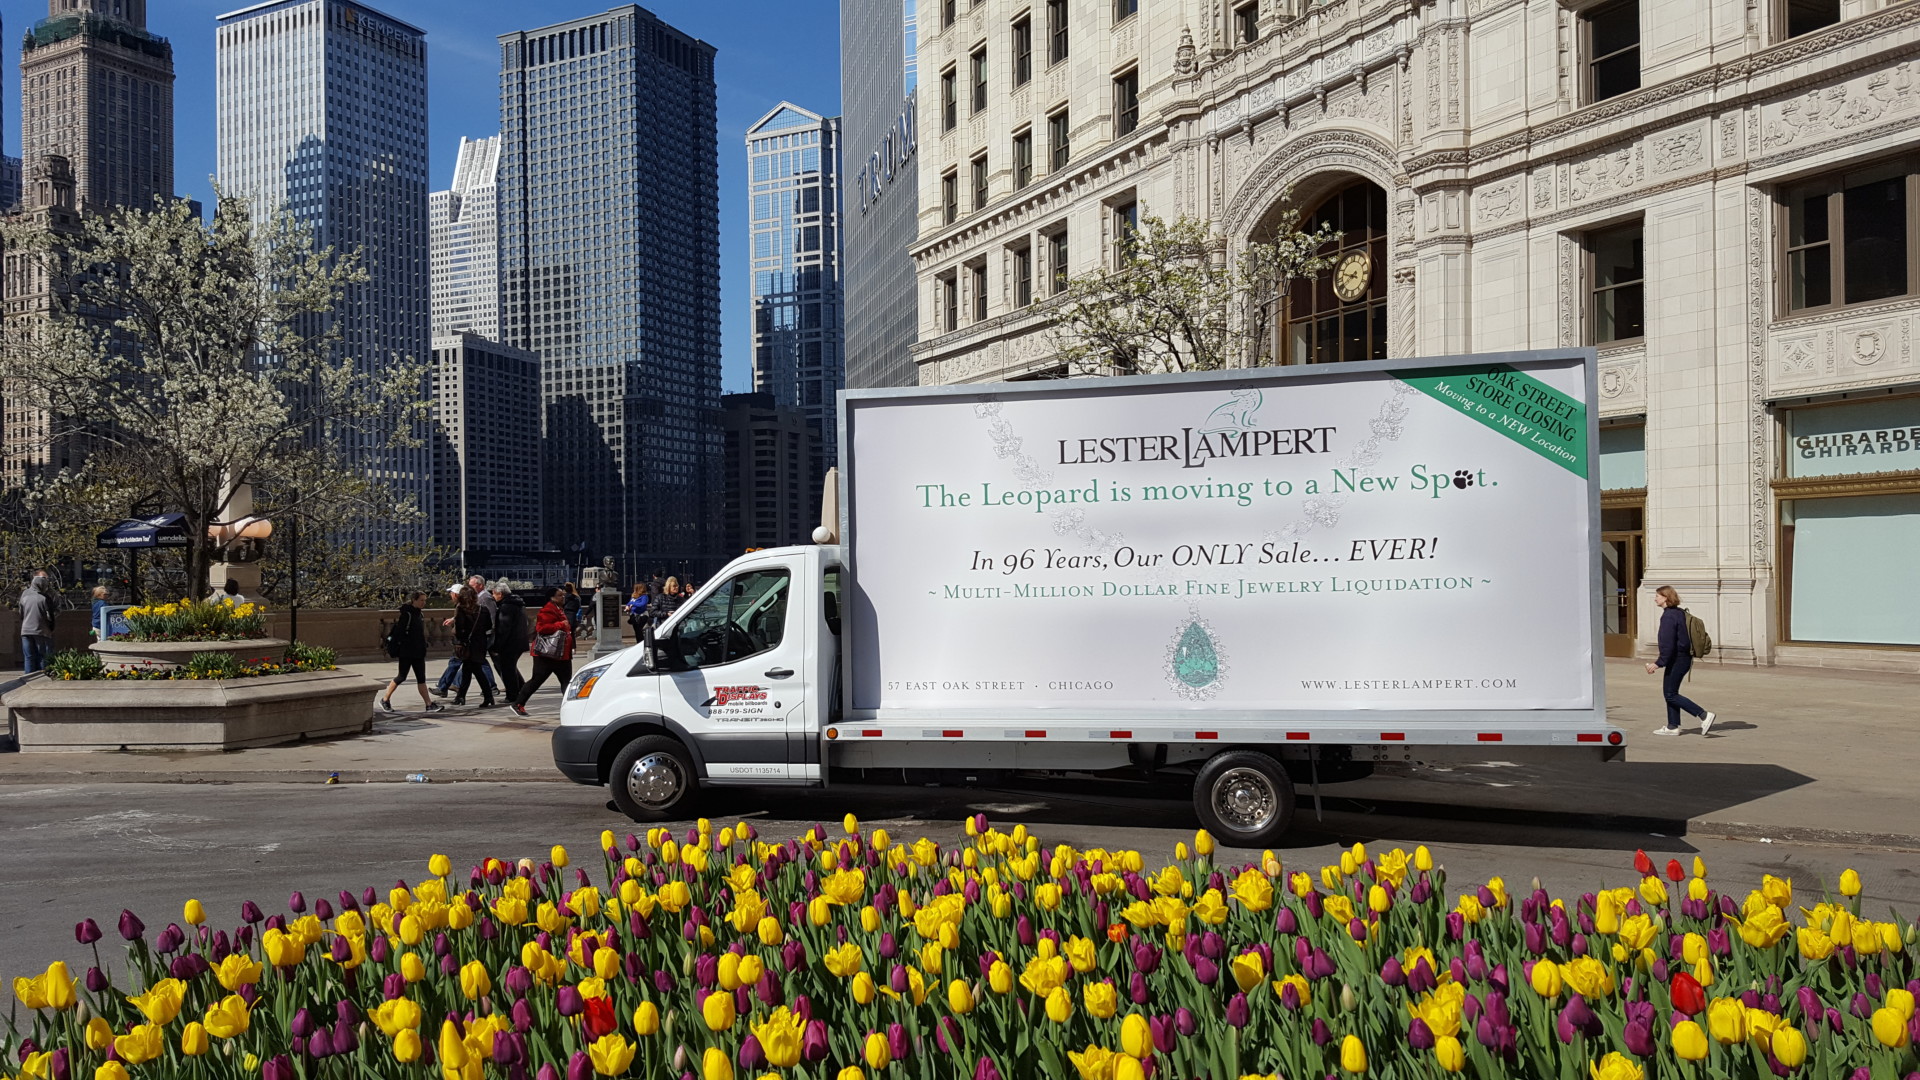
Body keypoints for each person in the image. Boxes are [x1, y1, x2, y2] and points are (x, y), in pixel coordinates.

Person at [1646, 585, 1716, 736]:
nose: (1655, 598)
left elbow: (1668, 643)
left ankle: (1704, 715)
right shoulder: (1679, 613)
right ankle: (1672, 726)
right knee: (1671, 692)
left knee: (1670, 694)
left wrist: (1658, 663)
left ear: (1665, 597)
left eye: (1658, 595)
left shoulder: (1668, 617)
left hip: (1677, 659)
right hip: (1683, 658)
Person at [511, 587, 573, 717]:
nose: (563, 597)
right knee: (537, 680)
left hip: (560, 654)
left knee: (566, 682)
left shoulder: (558, 609)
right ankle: (518, 703)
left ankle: (572, 708)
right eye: (560, 595)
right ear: (552, 598)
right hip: (547, 654)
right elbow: (542, 628)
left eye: (563, 595)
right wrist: (561, 625)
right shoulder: (547, 610)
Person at [379, 591, 440, 713]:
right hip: (407, 651)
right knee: (401, 676)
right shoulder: (407, 614)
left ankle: (428, 704)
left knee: (421, 678)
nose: (424, 603)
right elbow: (400, 633)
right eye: (421, 600)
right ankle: (385, 699)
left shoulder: (419, 614)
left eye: (425, 600)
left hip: (418, 651)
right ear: (414, 600)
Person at [452, 586, 496, 708]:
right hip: (480, 643)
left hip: (467, 643)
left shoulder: (460, 609)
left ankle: (485, 696)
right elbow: (488, 626)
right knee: (471, 669)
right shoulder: (483, 609)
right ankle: (462, 696)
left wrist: (458, 636)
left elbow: (459, 628)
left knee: (473, 670)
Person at [490, 582, 527, 705]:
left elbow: (504, 629)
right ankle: (521, 688)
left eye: (494, 594)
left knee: (507, 669)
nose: (493, 596)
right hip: (519, 641)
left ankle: (512, 695)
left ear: (500, 594)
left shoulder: (506, 607)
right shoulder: (517, 604)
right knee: (511, 667)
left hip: (510, 644)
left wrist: (497, 646)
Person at [18, 570, 55, 675]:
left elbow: (21, 613)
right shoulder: (44, 598)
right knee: (42, 656)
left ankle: (28, 678)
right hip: (41, 630)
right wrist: (51, 628)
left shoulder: (24, 595)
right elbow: (50, 617)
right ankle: (42, 678)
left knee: (29, 657)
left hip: (25, 630)